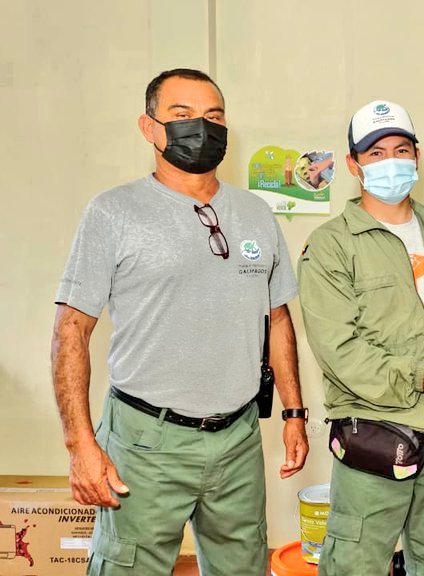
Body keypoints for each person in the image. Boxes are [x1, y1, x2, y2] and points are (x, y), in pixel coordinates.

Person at [51, 68, 309, 575]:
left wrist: (294, 413)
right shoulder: (113, 213)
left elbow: (277, 320)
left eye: (214, 116)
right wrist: (81, 444)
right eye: (182, 115)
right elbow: (69, 332)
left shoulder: (256, 214)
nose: (202, 127)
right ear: (149, 128)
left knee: (243, 567)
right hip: (147, 442)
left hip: (237, 440)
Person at [298, 99, 424, 576]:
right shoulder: (332, 245)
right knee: (357, 561)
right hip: (378, 430)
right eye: (376, 153)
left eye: (402, 149)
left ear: (417, 158)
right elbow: (340, 349)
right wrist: (420, 378)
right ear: (355, 165)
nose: (391, 162)